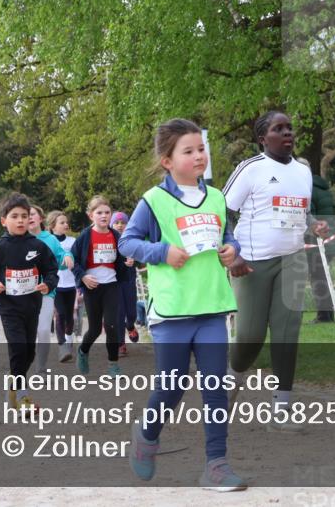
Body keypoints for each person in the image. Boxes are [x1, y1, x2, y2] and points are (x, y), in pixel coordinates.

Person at [119, 118, 246, 491]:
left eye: (201, 148)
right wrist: (160, 251)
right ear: (167, 161)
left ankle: (216, 465)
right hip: (172, 312)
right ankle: (146, 435)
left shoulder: (218, 196)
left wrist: (231, 249)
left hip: (211, 307)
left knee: (215, 386)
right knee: (171, 387)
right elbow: (128, 242)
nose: (198, 156)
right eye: (188, 151)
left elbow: (226, 233)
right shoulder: (153, 200)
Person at [223, 111, 328, 431]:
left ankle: (281, 410)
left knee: (286, 335)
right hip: (251, 264)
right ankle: (229, 384)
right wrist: (233, 254)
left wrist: (315, 225)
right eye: (278, 129)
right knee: (250, 338)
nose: (287, 133)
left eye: (289, 128)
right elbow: (221, 211)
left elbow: (300, 211)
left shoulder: (303, 171)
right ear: (262, 139)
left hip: (292, 259)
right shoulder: (250, 169)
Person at [0, 192, 59, 412]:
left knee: (30, 352)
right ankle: (22, 396)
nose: (21, 220)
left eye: (24, 215)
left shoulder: (38, 246)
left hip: (32, 305)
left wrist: (48, 284)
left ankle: (12, 387)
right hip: (8, 306)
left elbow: (52, 270)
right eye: (15, 216)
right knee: (18, 348)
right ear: (4, 221)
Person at [71, 195, 134, 376]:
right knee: (95, 329)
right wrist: (83, 277)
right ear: (91, 215)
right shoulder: (85, 236)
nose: (104, 216)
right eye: (99, 212)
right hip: (92, 287)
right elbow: (74, 261)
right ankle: (83, 351)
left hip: (111, 285)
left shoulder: (116, 236)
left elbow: (123, 261)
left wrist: (128, 263)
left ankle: (113, 365)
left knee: (112, 325)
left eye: (107, 212)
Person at [28, 204, 73, 375]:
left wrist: (68, 257)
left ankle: (41, 367)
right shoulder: (18, 239)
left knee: (44, 329)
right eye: (26, 215)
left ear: (40, 218)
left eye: (33, 214)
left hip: (46, 291)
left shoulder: (51, 239)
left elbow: (61, 257)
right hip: (23, 293)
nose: (29, 218)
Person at [297, 158, 335, 323]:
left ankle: (322, 315)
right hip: (327, 240)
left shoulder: (305, 189)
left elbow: (305, 218)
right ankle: (326, 314)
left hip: (315, 242)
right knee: (321, 278)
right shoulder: (322, 189)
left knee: (307, 279)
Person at [45, 210, 77, 362]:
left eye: (66, 222)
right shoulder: (49, 241)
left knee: (70, 317)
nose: (66, 225)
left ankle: (69, 339)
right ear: (52, 226)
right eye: (62, 222)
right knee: (60, 315)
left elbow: (78, 261)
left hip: (70, 284)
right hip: (55, 284)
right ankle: (62, 346)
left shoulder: (72, 242)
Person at [111, 211, 140, 353]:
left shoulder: (132, 239)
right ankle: (120, 343)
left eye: (123, 222)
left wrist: (135, 260)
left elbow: (141, 257)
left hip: (129, 280)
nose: (120, 225)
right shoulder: (109, 240)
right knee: (119, 312)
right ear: (112, 225)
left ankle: (130, 325)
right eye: (116, 222)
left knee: (131, 312)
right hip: (115, 281)